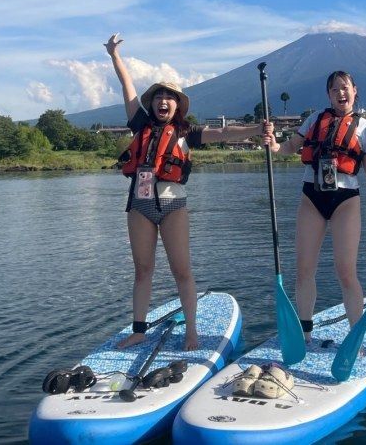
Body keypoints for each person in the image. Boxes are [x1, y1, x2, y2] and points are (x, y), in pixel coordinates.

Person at [105, 33, 270, 350]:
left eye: (169, 97)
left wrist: (255, 128)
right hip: (139, 207)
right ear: (151, 103)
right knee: (143, 271)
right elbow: (127, 90)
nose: (163, 101)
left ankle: (191, 332)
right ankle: (139, 330)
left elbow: (222, 132)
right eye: (158, 97)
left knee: (182, 270)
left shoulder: (186, 132)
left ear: (177, 105)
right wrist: (115, 56)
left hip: (173, 207)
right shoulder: (139, 124)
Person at [263, 70, 366, 343]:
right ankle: (305, 332)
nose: (341, 94)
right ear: (328, 95)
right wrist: (274, 146)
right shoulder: (314, 120)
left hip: (346, 200)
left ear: (355, 90)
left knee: (346, 271)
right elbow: (290, 147)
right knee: (304, 268)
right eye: (334, 90)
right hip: (312, 197)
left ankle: (355, 336)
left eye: (345, 88)